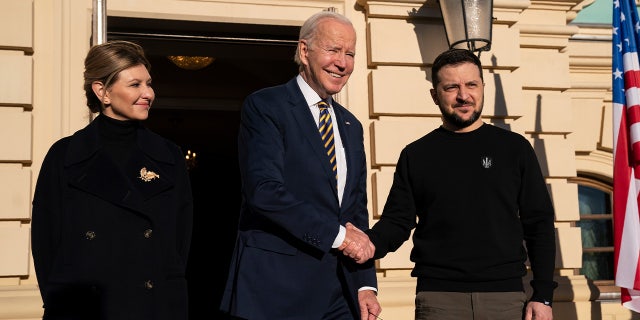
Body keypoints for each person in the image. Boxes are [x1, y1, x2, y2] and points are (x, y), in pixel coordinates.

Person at [362, 48, 557, 320]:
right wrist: (365, 243)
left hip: (506, 299)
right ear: (435, 95)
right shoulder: (416, 155)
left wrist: (543, 295)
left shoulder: (515, 149)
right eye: (451, 87)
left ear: (483, 88)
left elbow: (540, 224)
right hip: (438, 300)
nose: (463, 95)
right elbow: (397, 222)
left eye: (471, 85)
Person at [219, 10, 381, 320]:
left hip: (340, 294)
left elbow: (355, 212)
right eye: (333, 49)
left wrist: (364, 285)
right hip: (278, 290)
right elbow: (265, 192)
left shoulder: (351, 125)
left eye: (350, 53)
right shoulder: (267, 106)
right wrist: (340, 237)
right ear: (304, 51)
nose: (343, 62)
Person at [31, 40, 194, 320]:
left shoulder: (168, 156)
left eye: (149, 83)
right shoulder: (65, 155)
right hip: (84, 309)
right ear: (102, 91)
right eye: (135, 85)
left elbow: (180, 239)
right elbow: (46, 240)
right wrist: (61, 301)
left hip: (152, 307)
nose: (148, 94)